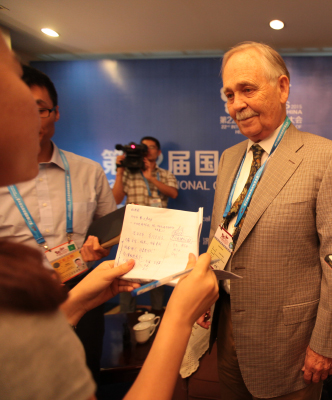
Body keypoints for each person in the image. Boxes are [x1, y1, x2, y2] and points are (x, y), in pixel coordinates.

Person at [0, 36, 219, 400]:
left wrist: (76, 303)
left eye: (41, 109)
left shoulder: (87, 171)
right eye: (20, 102)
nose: (35, 121)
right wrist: (180, 318)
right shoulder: (13, 315)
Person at [183, 42, 332, 400]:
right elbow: (223, 234)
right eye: (229, 95)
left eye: (247, 89)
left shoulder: (328, 158)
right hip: (227, 323)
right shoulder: (229, 158)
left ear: (282, 88)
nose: (237, 104)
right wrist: (206, 295)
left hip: (291, 341)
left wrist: (325, 345)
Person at [0, 64, 118, 379]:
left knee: (84, 374)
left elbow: (107, 229)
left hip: (83, 290)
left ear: (55, 113)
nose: (28, 119)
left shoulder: (88, 171)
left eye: (39, 110)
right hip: (14, 302)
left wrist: (99, 246)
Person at [113, 135, 179, 313]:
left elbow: (173, 193)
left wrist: (150, 178)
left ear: (158, 152)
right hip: (132, 232)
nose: (148, 150)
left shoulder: (164, 174)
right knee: (126, 275)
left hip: (158, 232)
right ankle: (126, 317)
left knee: (157, 277)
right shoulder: (128, 173)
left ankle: (157, 314)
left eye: (152, 147)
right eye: (144, 147)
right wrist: (119, 172)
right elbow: (116, 199)